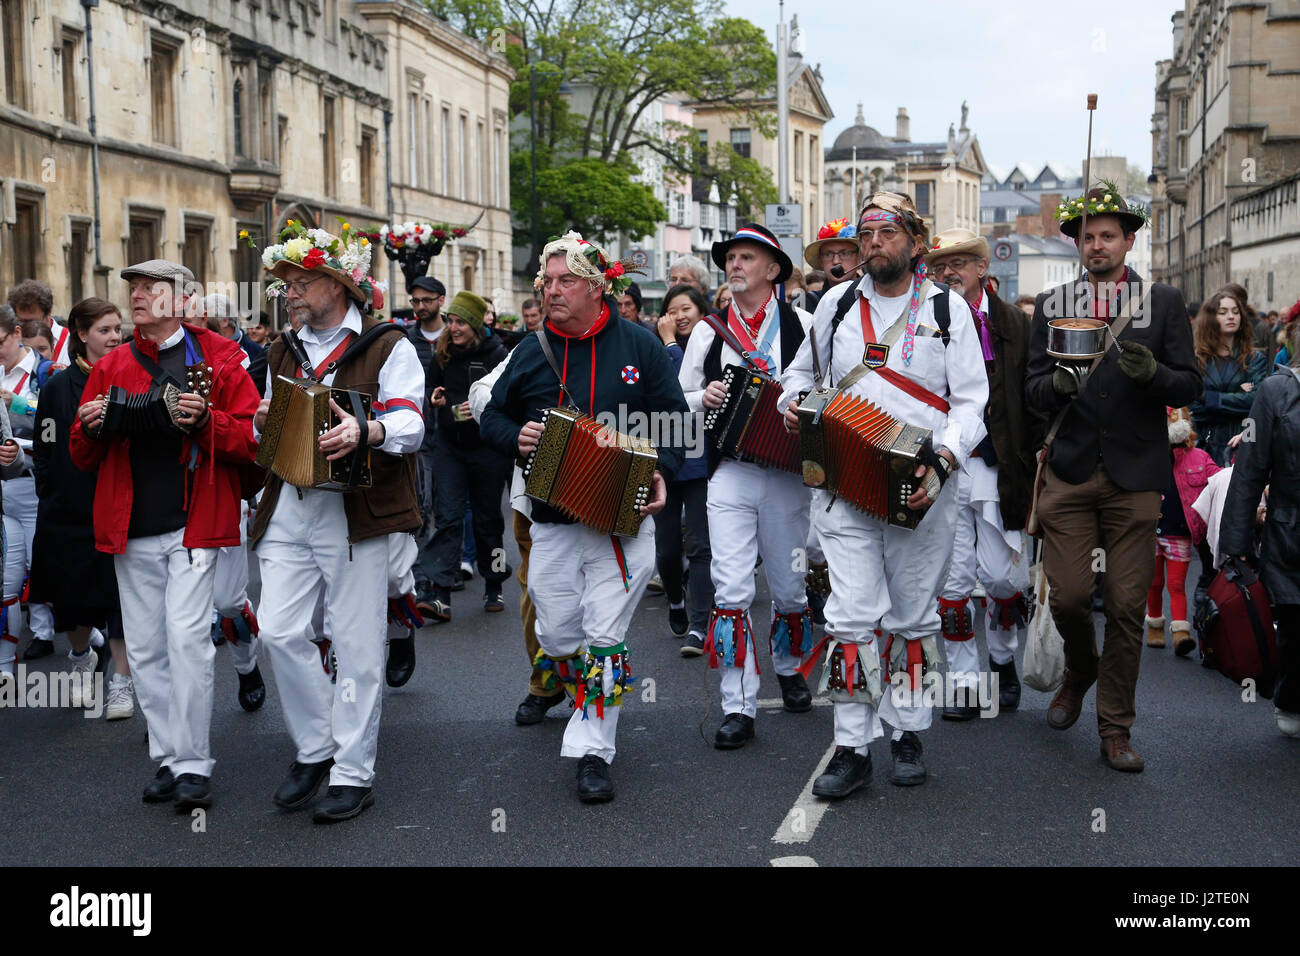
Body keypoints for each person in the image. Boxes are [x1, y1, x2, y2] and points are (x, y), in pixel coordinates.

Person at [779, 192, 988, 795]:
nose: (873, 242)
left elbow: (973, 400)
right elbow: (798, 376)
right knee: (850, 616)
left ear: (915, 244)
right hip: (844, 481)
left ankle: (907, 731)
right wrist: (792, 405)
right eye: (866, 231)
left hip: (924, 486)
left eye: (887, 231)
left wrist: (945, 459)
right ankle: (851, 745)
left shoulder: (948, 311)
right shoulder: (835, 306)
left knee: (913, 615)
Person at [480, 231, 685, 802]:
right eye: (546, 281)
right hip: (551, 519)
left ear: (597, 287)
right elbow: (490, 418)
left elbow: (677, 420)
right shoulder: (529, 350)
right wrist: (512, 436)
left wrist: (660, 468)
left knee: (604, 636)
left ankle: (594, 749)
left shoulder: (640, 346)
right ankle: (582, 693)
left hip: (623, 523)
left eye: (564, 280)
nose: (551, 291)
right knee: (557, 632)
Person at [69, 260, 260, 809]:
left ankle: (195, 765)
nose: (138, 296)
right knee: (149, 650)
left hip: (193, 525)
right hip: (130, 530)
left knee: (188, 643)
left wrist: (206, 422)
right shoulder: (112, 367)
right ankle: (170, 757)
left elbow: (249, 440)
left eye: (152, 288)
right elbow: (83, 456)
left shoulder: (220, 360)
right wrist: (85, 426)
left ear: (183, 300)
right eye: (133, 288)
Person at [251, 222, 424, 823]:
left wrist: (368, 428)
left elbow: (412, 423)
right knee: (276, 630)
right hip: (288, 505)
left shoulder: (386, 344)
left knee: (355, 643)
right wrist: (262, 420)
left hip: (356, 512)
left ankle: (351, 770)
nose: (289, 293)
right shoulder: (280, 348)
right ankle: (317, 745)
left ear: (338, 284)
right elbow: (266, 432)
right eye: (286, 283)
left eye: (300, 282)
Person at [1024, 186, 1201, 773]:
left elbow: (1189, 385)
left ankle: (1115, 729)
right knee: (1072, 597)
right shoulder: (1051, 304)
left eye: (1108, 235)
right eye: (1087, 236)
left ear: (1129, 240)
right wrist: (1059, 388)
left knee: (1126, 608)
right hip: (1070, 473)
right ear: (1076, 244)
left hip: (1136, 476)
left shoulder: (1166, 301)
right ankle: (1080, 667)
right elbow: (1030, 392)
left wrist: (1154, 375)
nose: (1096, 244)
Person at [680, 222, 817, 749]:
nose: (735, 265)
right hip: (731, 468)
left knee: (788, 585)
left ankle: (787, 665)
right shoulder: (708, 331)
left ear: (773, 269)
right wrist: (703, 397)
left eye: (746, 257)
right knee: (731, 587)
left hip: (787, 473)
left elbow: (826, 390)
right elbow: (679, 393)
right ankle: (737, 705)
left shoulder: (803, 324)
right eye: (731, 257)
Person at [927, 228, 1039, 717]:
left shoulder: (1015, 322)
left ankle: (1001, 659)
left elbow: (1031, 398)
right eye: (939, 265)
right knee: (953, 586)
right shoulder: (924, 321)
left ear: (981, 270)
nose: (948, 273)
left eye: (959, 263)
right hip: (943, 466)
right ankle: (967, 682)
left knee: (1002, 579)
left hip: (999, 466)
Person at [30, 298, 132, 717]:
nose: (114, 337)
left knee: (119, 600)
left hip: (121, 508)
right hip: (69, 512)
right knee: (72, 603)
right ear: (82, 334)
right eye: (105, 330)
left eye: (117, 329)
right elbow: (45, 446)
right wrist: (53, 494)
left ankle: (122, 682)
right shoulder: (57, 388)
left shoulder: (133, 379)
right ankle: (81, 657)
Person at [1218, 334, 1300, 738]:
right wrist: (1236, 547)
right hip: (1290, 536)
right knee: (1295, 629)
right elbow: (1249, 472)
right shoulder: (1275, 392)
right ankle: (1291, 696)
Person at [417, 291, 511, 621]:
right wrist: (435, 401)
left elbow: (508, 399)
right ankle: (439, 592)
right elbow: (430, 391)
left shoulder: (497, 353)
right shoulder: (442, 353)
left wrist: (487, 409)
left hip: (488, 451)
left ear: (474, 323)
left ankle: (495, 582)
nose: (452, 327)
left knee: (489, 522)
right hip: (450, 449)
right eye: (450, 321)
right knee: (448, 517)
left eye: (459, 322)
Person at [655, 285, 714, 656]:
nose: (679, 316)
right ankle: (675, 599)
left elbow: (687, 390)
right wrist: (665, 344)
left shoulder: (712, 342)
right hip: (664, 455)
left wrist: (670, 345)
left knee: (700, 546)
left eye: (686, 308)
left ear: (700, 310)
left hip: (701, 456)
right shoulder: (653, 345)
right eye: (672, 310)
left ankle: (699, 625)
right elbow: (667, 395)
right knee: (664, 550)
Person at [0, 306, 59, 664]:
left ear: (17, 333)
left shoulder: (46, 372)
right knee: (9, 575)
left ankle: (91, 635)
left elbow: (55, 423)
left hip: (35, 482)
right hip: (3, 490)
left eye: (1, 341)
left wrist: (18, 405)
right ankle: (39, 634)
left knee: (44, 565)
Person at [1146, 406, 1219, 655]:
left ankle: (1180, 632)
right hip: (1150, 531)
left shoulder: (1199, 457)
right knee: (1153, 583)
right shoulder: (1148, 454)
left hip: (1179, 533)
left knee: (1176, 584)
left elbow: (1218, 481)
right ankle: (1155, 624)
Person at [1190, 286, 1268, 468]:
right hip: (1205, 446)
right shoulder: (1197, 359)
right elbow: (1193, 407)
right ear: (1211, 318)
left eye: (1235, 312)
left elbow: (1256, 401)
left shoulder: (1254, 359)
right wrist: (1237, 394)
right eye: (1223, 312)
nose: (1231, 316)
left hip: (1241, 445)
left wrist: (1210, 398)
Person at [406, 276, 445, 607]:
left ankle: (442, 572)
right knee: (421, 506)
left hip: (449, 436)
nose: (420, 306)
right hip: (417, 436)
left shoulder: (455, 337)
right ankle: (421, 580)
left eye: (426, 300)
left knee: (445, 510)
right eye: (415, 301)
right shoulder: (405, 340)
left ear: (441, 301)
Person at [200, 293, 267, 398]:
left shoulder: (255, 352)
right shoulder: (201, 345)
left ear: (225, 321)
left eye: (205, 318)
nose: (201, 323)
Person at [7, 279, 72, 367]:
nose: (28, 327)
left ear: (49, 314)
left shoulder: (70, 342)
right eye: (22, 322)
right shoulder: (8, 343)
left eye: (34, 322)